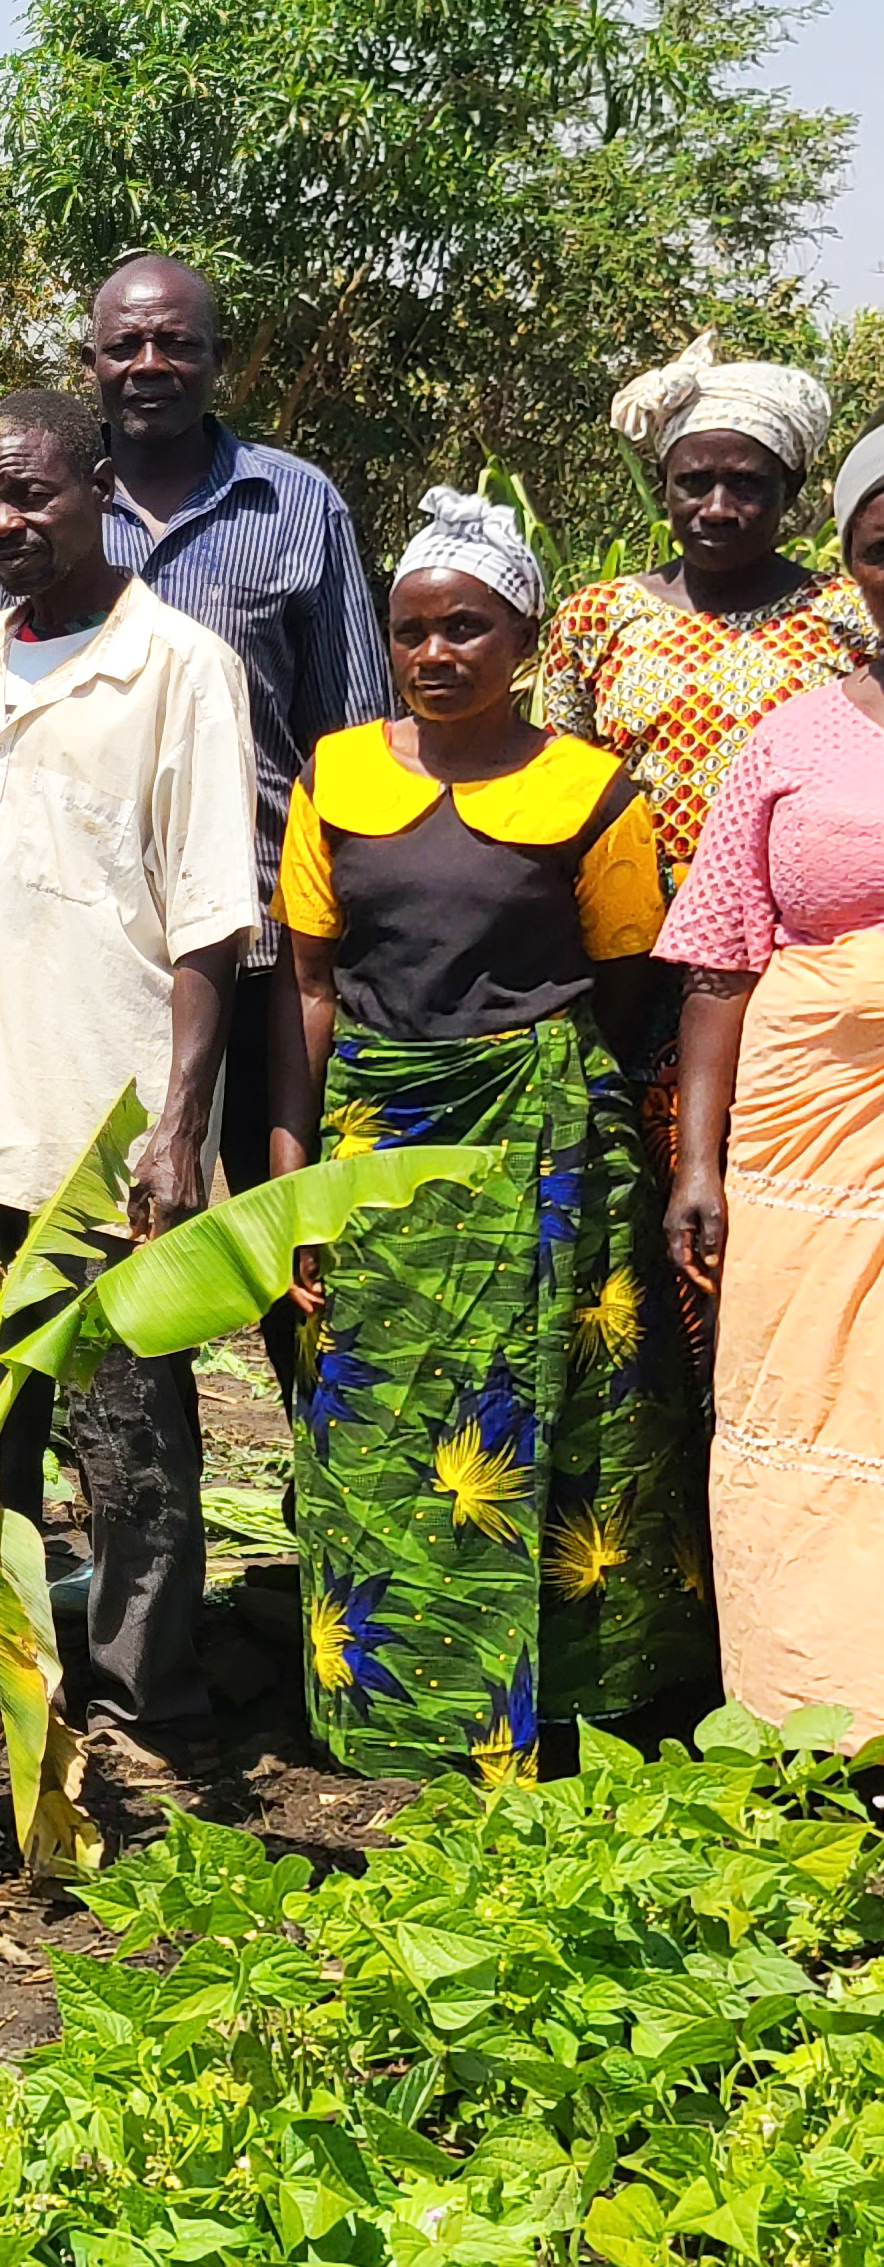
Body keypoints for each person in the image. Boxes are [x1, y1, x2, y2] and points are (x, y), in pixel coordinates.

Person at [264, 487, 705, 1775]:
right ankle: (393, 1699)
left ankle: (569, 1706)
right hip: (379, 1141)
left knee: (560, 1416)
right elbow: (308, 986)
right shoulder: (335, 776)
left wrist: (546, 1087)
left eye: (467, 628)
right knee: (373, 1415)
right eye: (411, 632)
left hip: (543, 1142)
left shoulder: (591, 793)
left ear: (523, 642)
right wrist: (293, 1166)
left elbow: (627, 983)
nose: (436, 654)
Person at [0, 389, 258, 1729]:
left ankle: (139, 1689)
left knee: (128, 1439)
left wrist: (180, 1122)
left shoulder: (177, 667)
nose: (8, 522)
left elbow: (213, 921)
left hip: (99, 1122)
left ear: (99, 486)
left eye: (34, 495)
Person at [0, 256, 386, 1192]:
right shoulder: (28, 509)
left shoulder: (297, 504)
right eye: (125, 346)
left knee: (277, 1240)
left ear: (219, 359)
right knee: (90, 1223)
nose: (148, 364)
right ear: (92, 363)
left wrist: (354, 933)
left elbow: (353, 735)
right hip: (77, 945)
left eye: (176, 344)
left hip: (264, 944)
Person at [652, 424, 884, 1729]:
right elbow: (718, 958)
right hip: (805, 1143)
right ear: (851, 563)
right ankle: (820, 1717)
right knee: (802, 1404)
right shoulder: (794, 735)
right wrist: (698, 1162)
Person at [542, 334, 863, 900]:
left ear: (789, 493)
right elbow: (562, 786)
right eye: (693, 483)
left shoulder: (847, 615)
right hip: (629, 926)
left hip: (796, 927)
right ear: (665, 486)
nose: (716, 509)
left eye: (746, 485)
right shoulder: (596, 618)